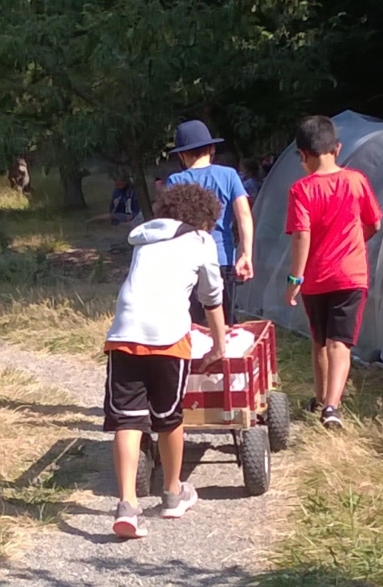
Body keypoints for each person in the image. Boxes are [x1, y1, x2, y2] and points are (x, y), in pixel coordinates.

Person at [104, 183, 226, 539]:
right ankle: (173, 492)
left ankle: (127, 504)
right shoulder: (201, 242)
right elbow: (212, 298)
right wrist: (219, 345)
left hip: (124, 334)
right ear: (205, 218)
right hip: (168, 338)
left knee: (127, 421)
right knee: (168, 419)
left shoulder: (144, 239)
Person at [285, 115, 382, 429]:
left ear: (302, 155)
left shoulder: (302, 190)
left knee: (320, 341)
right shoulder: (356, 181)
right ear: (337, 148)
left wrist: (295, 279)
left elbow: (302, 235)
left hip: (316, 279)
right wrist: (355, 241)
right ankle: (331, 407)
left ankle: (320, 397)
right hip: (351, 276)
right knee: (341, 343)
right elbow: (374, 223)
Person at [167, 120, 254, 326]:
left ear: (181, 155)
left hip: (189, 262)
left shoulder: (175, 181)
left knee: (194, 324)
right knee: (225, 322)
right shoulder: (229, 175)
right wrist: (246, 254)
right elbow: (244, 215)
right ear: (212, 148)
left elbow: (170, 226)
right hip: (223, 259)